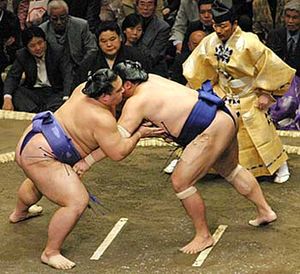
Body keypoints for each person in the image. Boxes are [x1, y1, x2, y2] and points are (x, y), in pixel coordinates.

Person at [74, 60, 277, 255]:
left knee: (181, 182)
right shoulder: (152, 79)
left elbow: (116, 145)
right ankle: (265, 211)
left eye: (119, 88)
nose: (118, 92)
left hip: (210, 128)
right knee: (230, 169)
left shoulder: (135, 103)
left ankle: (203, 235)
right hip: (225, 115)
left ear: (128, 84)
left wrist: (88, 161)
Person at [9, 68, 161, 270]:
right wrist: (139, 134)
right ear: (105, 97)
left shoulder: (84, 89)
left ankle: (19, 213)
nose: (123, 91)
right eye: (117, 90)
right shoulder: (101, 118)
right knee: (76, 201)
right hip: (42, 156)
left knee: (39, 182)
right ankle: (50, 252)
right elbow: (118, 152)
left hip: (33, 140)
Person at [183, 0, 295, 183]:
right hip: (222, 92)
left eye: (223, 26)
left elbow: (270, 65)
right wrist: (196, 88)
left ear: (234, 24)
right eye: (215, 26)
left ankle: (279, 164)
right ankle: (192, 162)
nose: (218, 31)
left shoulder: (250, 41)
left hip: (248, 93)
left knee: (260, 130)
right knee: (206, 125)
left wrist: (267, 93)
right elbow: (199, 69)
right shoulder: (209, 42)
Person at [2, 26, 73, 112]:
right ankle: (39, 113)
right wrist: (7, 98)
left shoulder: (58, 51)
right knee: (16, 92)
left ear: (45, 41)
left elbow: (67, 75)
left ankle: (43, 113)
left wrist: (66, 98)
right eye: (32, 46)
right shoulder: (22, 55)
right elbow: (12, 77)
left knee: (62, 100)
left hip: (54, 92)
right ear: (27, 48)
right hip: (34, 92)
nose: (38, 48)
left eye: (40, 43)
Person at [40, 0, 98, 87]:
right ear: (49, 17)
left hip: (79, 67)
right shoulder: (42, 30)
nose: (59, 22)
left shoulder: (81, 25)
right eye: (54, 19)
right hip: (54, 73)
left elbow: (92, 49)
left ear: (68, 15)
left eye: (63, 18)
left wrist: (82, 67)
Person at [267, 0, 300, 130]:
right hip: (278, 82)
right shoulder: (274, 35)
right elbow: (268, 63)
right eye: (288, 17)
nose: (290, 21)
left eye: (295, 17)